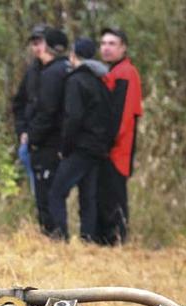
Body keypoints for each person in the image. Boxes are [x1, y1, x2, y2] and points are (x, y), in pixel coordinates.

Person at [47, 38, 113, 242]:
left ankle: (60, 237)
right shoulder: (100, 81)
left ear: (73, 56)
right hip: (97, 148)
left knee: (57, 192)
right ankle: (88, 239)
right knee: (88, 196)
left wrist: (65, 148)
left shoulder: (75, 81)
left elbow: (73, 117)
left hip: (80, 147)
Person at [97, 27, 143, 245]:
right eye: (104, 43)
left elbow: (123, 115)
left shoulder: (125, 72)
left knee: (113, 197)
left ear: (123, 47)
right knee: (106, 196)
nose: (106, 48)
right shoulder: (113, 71)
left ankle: (116, 240)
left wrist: (107, 144)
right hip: (110, 147)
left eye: (112, 44)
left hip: (117, 149)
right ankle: (108, 240)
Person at [26, 28, 71, 239]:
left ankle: (53, 234)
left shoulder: (53, 73)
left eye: (40, 43)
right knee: (52, 191)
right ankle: (54, 234)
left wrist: (33, 137)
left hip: (48, 143)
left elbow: (48, 110)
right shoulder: (67, 69)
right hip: (61, 141)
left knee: (47, 192)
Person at [11, 24, 48, 196]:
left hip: (52, 141)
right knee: (38, 189)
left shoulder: (61, 70)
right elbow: (19, 103)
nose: (37, 47)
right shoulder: (32, 71)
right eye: (34, 43)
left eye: (40, 42)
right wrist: (22, 131)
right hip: (31, 141)